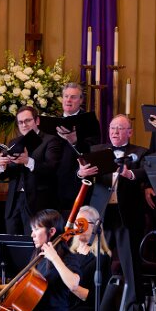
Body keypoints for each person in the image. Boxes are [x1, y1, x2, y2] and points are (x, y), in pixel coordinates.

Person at [78, 114, 148, 311]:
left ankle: (134, 308)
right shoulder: (97, 150)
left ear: (129, 132)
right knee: (98, 262)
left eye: (120, 128)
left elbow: (146, 173)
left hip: (127, 215)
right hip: (102, 214)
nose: (115, 132)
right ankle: (96, 307)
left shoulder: (140, 152)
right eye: (112, 128)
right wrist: (81, 173)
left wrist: (130, 175)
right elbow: (83, 173)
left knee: (130, 263)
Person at [0, 105, 62, 235]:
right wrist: (1, 165)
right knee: (12, 241)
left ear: (37, 121)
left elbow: (51, 170)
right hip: (14, 202)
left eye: (27, 120)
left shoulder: (50, 140)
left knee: (32, 242)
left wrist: (27, 161)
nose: (24, 125)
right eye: (20, 122)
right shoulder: (13, 143)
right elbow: (3, 176)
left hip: (36, 203)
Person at [52, 83, 101, 217]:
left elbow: (93, 149)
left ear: (81, 100)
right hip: (53, 185)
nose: (68, 100)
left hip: (77, 183)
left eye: (73, 97)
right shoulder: (53, 120)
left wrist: (75, 141)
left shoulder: (89, 121)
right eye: (66, 96)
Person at [68, 205, 112, 311]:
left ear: (95, 227)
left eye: (83, 223)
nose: (78, 227)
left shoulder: (101, 258)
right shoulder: (69, 254)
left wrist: (70, 285)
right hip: (64, 307)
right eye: (76, 223)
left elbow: (97, 298)